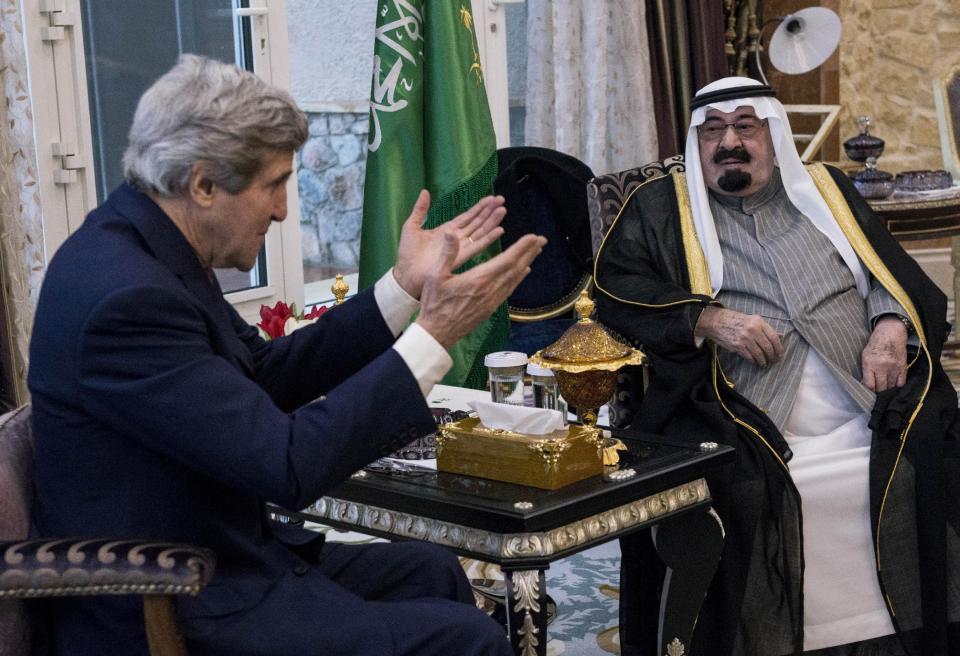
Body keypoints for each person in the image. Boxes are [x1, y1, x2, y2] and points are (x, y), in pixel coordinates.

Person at [27, 54, 546, 656]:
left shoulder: (146, 243)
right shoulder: (126, 299)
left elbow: (265, 376)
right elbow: (287, 465)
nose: (281, 210)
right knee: (468, 640)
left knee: (429, 571)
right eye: (273, 184)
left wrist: (402, 289)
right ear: (202, 185)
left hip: (226, 560)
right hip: (173, 604)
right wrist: (433, 337)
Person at [595, 76, 960, 656]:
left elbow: (892, 272)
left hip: (869, 400)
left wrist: (890, 325)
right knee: (754, 495)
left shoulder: (828, 190)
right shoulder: (661, 207)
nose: (728, 142)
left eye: (745, 126)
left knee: (936, 461)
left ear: (774, 134)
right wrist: (707, 318)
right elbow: (615, 290)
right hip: (743, 412)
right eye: (713, 131)